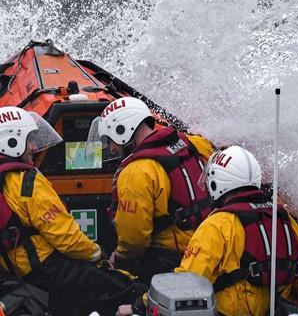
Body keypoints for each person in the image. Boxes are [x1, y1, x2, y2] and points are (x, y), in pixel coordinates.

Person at [0, 106, 145, 316]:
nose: (33, 147)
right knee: (129, 287)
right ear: (11, 142)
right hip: (50, 271)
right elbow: (68, 239)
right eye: (29, 140)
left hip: (7, 274)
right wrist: (99, 254)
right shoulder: (27, 182)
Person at [117, 146, 298, 316]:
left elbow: (185, 284)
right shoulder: (284, 219)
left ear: (218, 183)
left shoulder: (218, 225)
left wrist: (138, 305)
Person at [87, 97, 214, 284]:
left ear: (122, 130)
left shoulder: (136, 172)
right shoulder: (195, 144)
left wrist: (118, 258)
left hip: (170, 261)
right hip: (210, 249)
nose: (111, 148)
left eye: (110, 140)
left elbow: (134, 239)